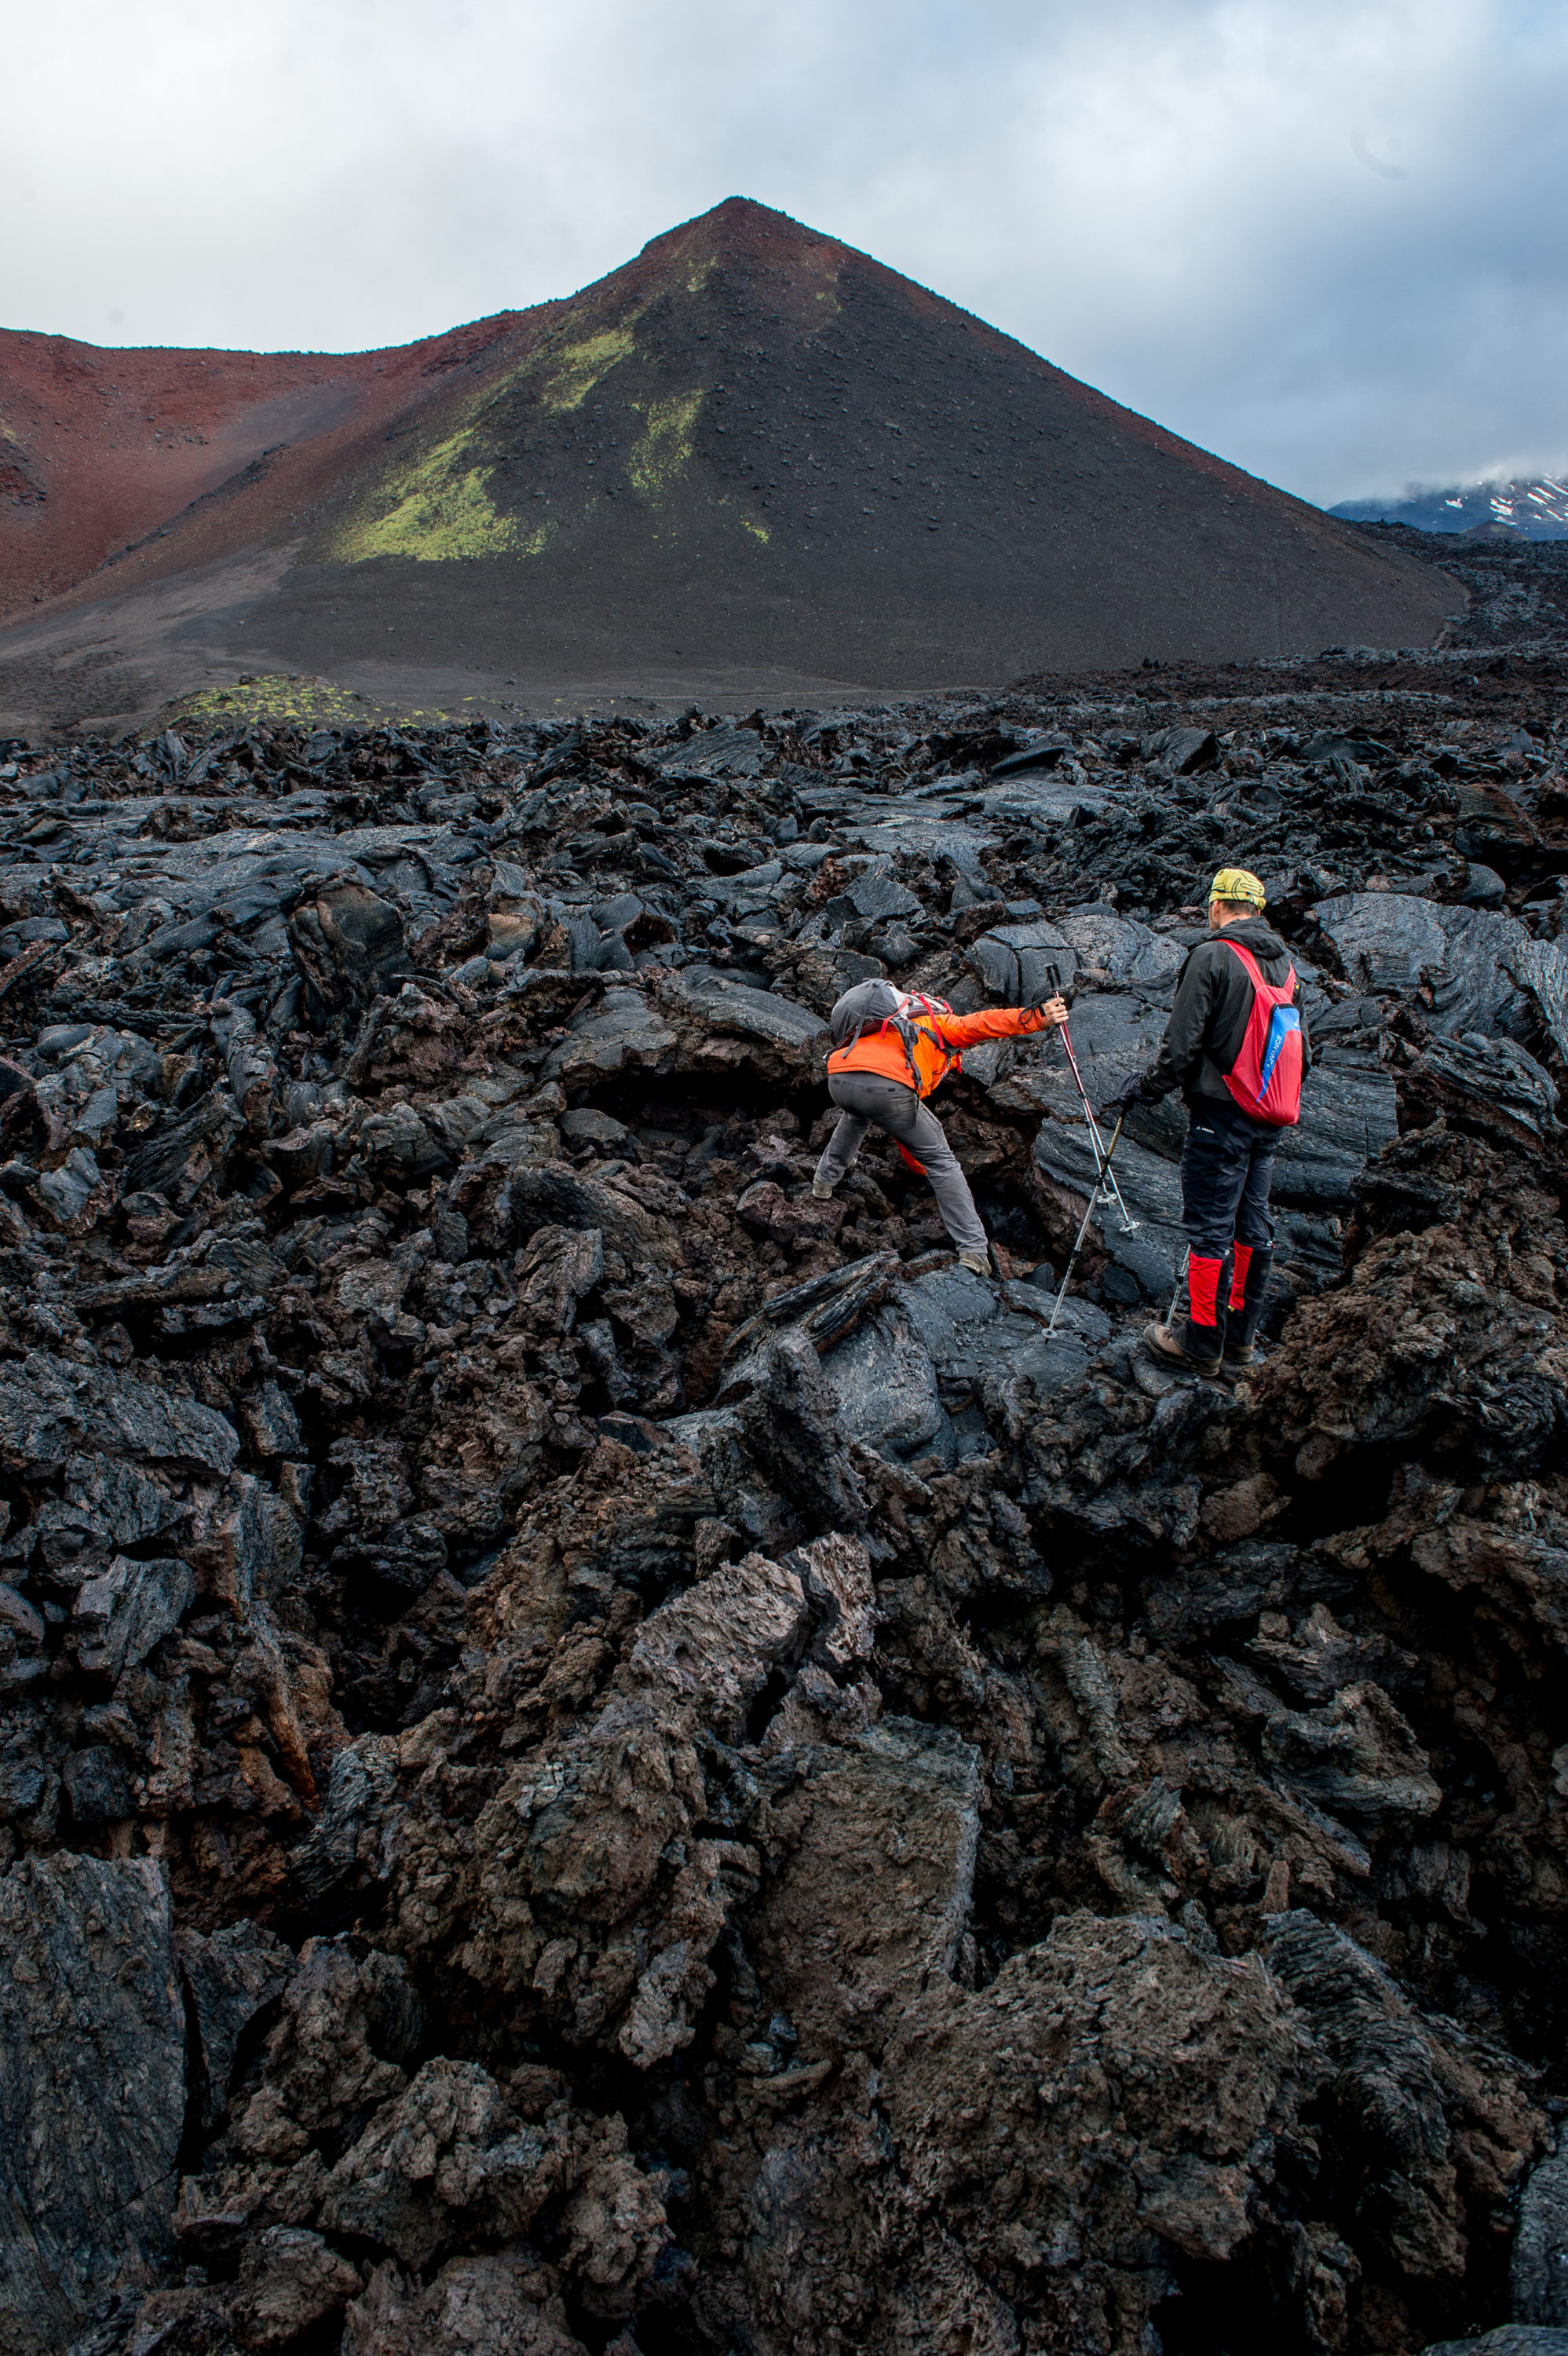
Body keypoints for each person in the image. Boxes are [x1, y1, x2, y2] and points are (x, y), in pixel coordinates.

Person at [1109, 867, 1310, 1374]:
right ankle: (1239, 1340)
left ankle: (1199, 1342)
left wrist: (1146, 1088)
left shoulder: (1213, 955)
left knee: (1209, 1229)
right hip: (1269, 1115)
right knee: (1253, 1223)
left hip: (1220, 1116)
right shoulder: (1284, 965)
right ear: (1257, 911)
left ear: (1218, 906)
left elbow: (1181, 1046)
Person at [813, 978, 1069, 1275]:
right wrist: (1039, 1017)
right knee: (942, 1162)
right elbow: (983, 1023)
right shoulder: (941, 1026)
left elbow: (900, 1127)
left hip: (840, 1079)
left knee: (856, 1118)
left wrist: (916, 1164)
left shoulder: (886, 1027)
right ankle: (974, 1251)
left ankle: (822, 1184)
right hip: (887, 1088)